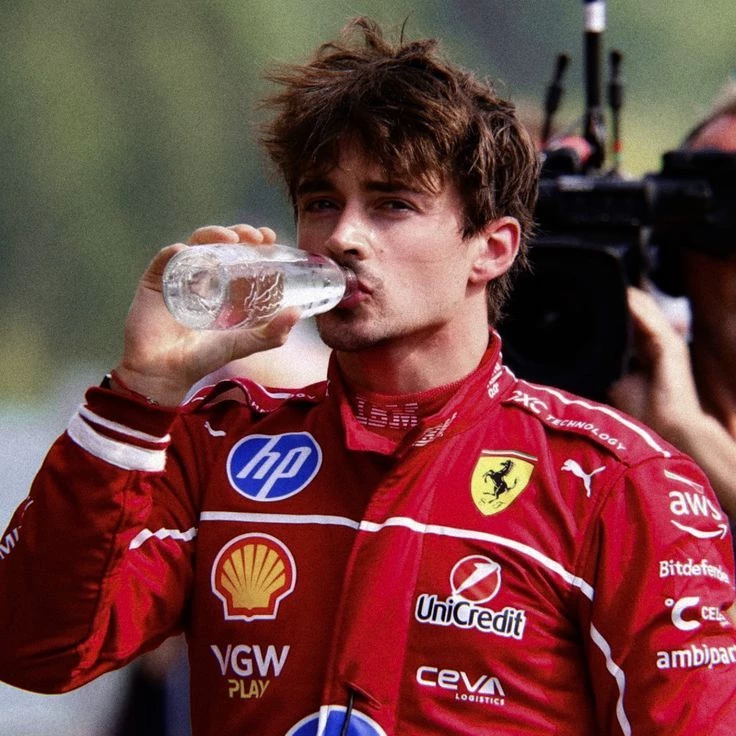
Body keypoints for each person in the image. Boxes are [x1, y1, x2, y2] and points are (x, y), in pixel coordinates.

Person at [1, 17, 735, 735]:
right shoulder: (218, 444)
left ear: (492, 248)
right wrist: (140, 393)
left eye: (392, 205)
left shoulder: (619, 484)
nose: (343, 236)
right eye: (322, 202)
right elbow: (32, 648)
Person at [609, 82, 736, 523]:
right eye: (725, 213)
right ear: (670, 253)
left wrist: (691, 436)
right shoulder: (602, 426)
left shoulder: (678, 425)